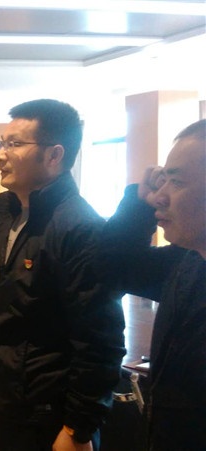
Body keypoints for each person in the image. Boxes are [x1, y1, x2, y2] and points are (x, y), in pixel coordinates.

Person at [0, 98, 126, 451]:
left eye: (14, 144)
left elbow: (99, 339)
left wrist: (77, 427)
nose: (0, 155)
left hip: (48, 416)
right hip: (8, 405)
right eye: (3, 142)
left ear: (54, 155)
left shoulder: (79, 227)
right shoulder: (10, 212)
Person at [97, 119, 205, 450]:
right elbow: (113, 268)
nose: (159, 196)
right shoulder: (186, 263)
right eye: (162, 181)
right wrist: (137, 205)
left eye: (176, 182)